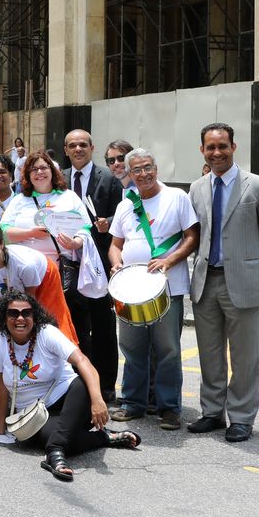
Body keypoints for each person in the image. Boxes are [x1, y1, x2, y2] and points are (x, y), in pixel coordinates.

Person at [187, 123, 259, 443]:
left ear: (233, 147)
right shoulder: (197, 187)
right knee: (209, 353)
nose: (217, 152)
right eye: (210, 147)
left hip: (242, 283)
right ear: (202, 150)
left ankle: (241, 417)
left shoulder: (258, 185)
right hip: (206, 281)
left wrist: (249, 264)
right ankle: (212, 412)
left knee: (244, 357)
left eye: (222, 146)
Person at [0, 290, 140, 482]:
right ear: (4, 317)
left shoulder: (47, 333)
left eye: (27, 313)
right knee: (62, 437)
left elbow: (82, 361)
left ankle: (54, 455)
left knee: (82, 383)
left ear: (35, 315)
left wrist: (98, 400)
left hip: (70, 400)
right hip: (34, 413)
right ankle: (103, 438)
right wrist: (0, 426)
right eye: (13, 313)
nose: (20, 318)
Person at [108, 148, 199, 430]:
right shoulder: (126, 204)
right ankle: (133, 403)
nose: (143, 174)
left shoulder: (176, 197)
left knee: (168, 350)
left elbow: (192, 236)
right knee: (133, 349)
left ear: (156, 169)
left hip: (167, 288)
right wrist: (116, 264)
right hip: (131, 290)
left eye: (147, 167)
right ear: (130, 174)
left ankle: (169, 408)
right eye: (136, 170)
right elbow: (115, 244)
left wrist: (169, 260)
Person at [62, 129, 124, 401]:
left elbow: (122, 216)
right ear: (66, 150)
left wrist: (107, 222)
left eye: (83, 145)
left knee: (103, 326)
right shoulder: (59, 179)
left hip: (98, 262)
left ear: (92, 147)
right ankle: (77, 382)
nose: (78, 149)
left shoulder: (109, 179)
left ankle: (107, 385)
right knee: (74, 325)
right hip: (68, 264)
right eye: (72, 145)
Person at [0, 218, 78, 344]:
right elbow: (0, 296)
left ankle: (63, 352)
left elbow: (29, 303)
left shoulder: (24, 265)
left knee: (50, 320)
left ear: (1, 243)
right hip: (18, 283)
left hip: (44, 274)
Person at [1, 150, 92, 261]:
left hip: (62, 269)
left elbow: (85, 228)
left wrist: (75, 243)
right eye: (34, 169)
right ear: (28, 174)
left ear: (52, 170)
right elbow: (3, 231)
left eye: (44, 168)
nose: (39, 172)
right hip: (26, 267)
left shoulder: (70, 196)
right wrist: (30, 233)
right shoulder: (18, 200)